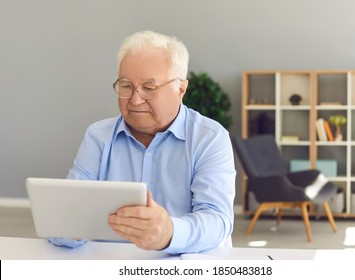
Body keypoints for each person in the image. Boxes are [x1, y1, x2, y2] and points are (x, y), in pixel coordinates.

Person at [49, 30, 236, 254]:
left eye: (149, 88)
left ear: (181, 89)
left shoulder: (210, 138)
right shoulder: (98, 136)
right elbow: (63, 218)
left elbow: (217, 221)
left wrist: (170, 233)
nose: (135, 100)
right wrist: (67, 228)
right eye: (126, 86)